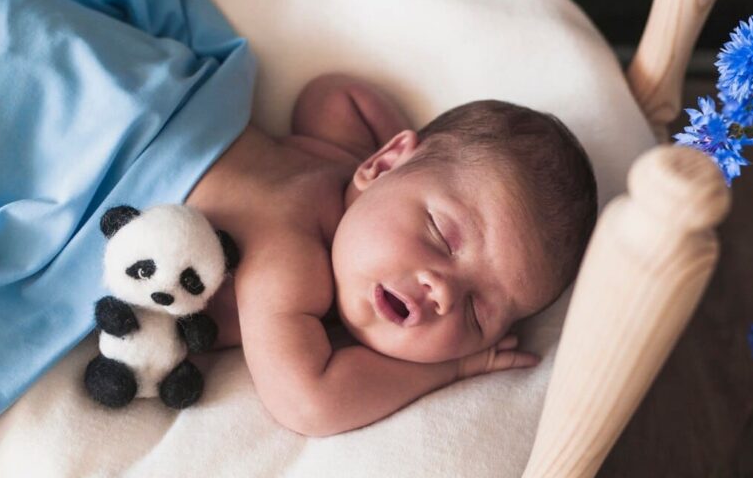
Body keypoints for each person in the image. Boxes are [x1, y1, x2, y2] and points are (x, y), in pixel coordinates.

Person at [188, 74, 598, 436]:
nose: (443, 293)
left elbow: (335, 96)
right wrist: (449, 370)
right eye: (441, 236)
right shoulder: (289, 257)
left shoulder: (342, 158)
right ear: (383, 162)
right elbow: (309, 402)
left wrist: (405, 174)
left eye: (476, 313)